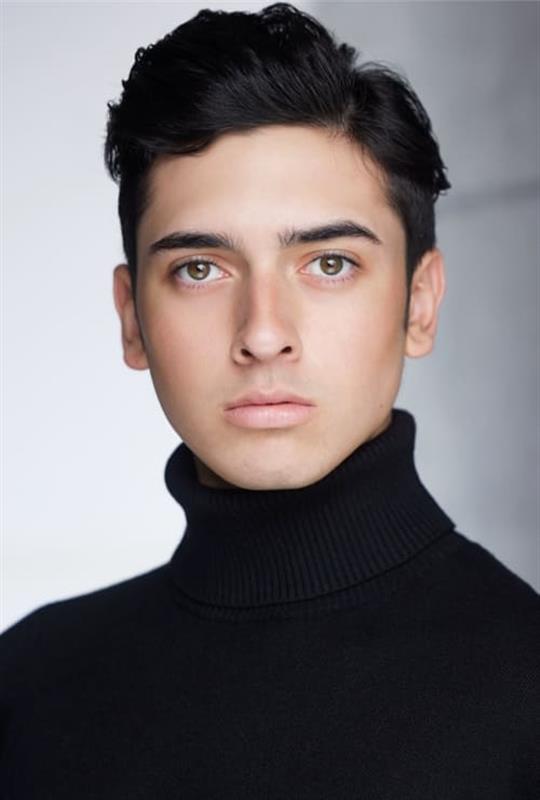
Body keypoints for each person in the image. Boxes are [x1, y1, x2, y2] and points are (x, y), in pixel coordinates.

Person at [1, 3, 538, 797]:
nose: (262, 333)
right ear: (132, 317)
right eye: (200, 269)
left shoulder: (525, 692)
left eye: (329, 264)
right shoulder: (28, 687)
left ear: (420, 304)